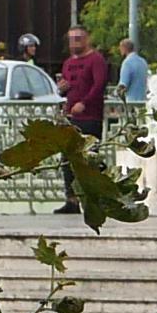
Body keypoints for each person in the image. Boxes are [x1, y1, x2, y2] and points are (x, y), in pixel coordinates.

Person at [54, 25, 109, 214]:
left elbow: (99, 84)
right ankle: (72, 200)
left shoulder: (96, 60)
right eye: (71, 39)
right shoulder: (68, 63)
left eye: (78, 38)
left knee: (90, 158)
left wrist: (84, 103)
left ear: (87, 39)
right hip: (71, 116)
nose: (74, 42)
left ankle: (101, 196)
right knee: (67, 159)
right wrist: (62, 89)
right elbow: (67, 87)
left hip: (90, 117)